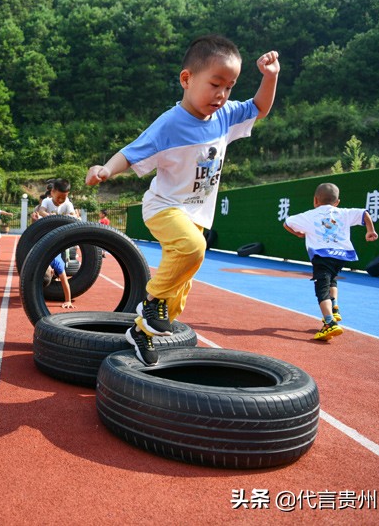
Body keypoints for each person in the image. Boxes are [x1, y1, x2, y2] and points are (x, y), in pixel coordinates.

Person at [86, 34, 280, 366]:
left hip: (197, 216)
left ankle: (142, 332)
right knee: (192, 249)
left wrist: (270, 76)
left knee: (180, 290)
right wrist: (106, 169)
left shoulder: (225, 115)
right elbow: (131, 153)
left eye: (229, 87)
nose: (221, 94)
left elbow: (259, 108)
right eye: (215, 84)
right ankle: (151, 301)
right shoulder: (169, 124)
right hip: (164, 207)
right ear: (187, 79)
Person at [283, 183, 378, 341]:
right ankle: (334, 307)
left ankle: (329, 322)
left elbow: (287, 223)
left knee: (321, 289)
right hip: (341, 256)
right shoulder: (344, 213)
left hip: (322, 256)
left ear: (315, 200)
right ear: (337, 202)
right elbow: (364, 213)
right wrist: (370, 230)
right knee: (332, 280)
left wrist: (298, 234)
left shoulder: (309, 215)